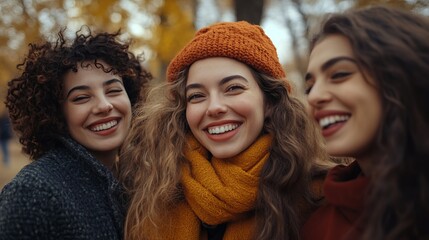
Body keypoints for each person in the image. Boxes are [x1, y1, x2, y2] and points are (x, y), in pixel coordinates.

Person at [118, 21, 333, 240]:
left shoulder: (320, 194)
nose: (214, 108)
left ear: (269, 101)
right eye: (197, 96)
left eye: (233, 88)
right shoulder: (156, 189)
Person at [0, 27, 152, 239]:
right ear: (55, 113)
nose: (104, 105)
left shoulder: (140, 182)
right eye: (81, 97)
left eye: (114, 90)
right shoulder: (33, 194)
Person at [302, 5, 429, 240]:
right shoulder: (316, 227)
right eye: (309, 87)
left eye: (339, 74)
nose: (314, 96)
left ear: (402, 75)